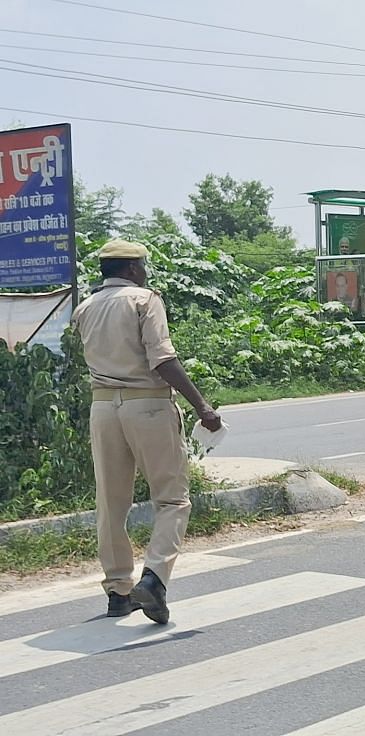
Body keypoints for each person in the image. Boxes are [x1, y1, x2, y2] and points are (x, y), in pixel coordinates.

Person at [72, 239, 223, 624]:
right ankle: (154, 579)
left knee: (111, 501)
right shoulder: (144, 300)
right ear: (135, 268)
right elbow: (163, 358)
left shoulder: (85, 308)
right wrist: (201, 406)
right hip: (148, 404)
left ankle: (117, 592)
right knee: (172, 499)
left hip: (103, 407)